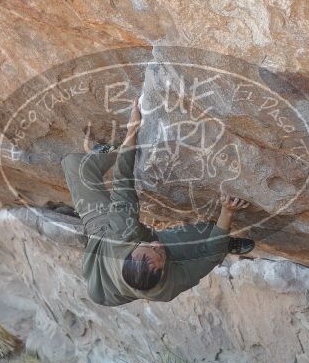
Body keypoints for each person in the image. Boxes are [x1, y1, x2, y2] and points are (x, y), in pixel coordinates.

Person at [62, 98, 254, 306]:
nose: (157, 245)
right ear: (163, 272)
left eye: (150, 248)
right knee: (210, 235)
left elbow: (123, 182)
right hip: (113, 287)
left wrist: (132, 131)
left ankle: (113, 149)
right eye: (159, 254)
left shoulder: (120, 232)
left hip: (102, 233)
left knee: (74, 164)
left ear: (132, 251)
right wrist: (226, 212)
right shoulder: (168, 287)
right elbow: (208, 257)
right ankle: (226, 243)